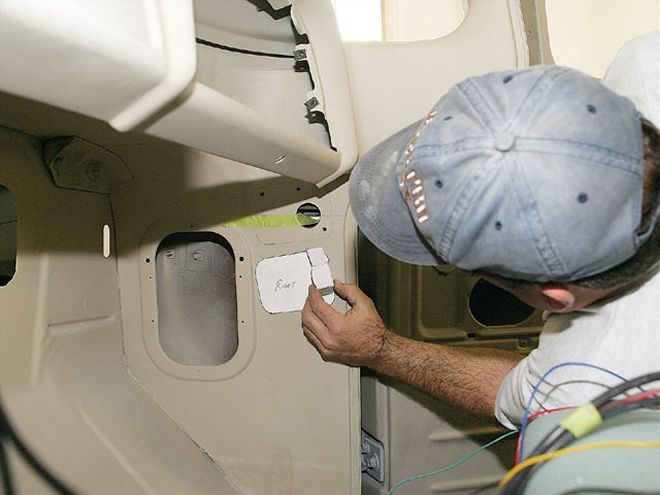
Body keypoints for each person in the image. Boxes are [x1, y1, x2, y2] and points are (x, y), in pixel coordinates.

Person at [301, 31, 660, 429]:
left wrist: (380, 349)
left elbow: (508, 390)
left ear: (556, 298)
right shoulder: (647, 61)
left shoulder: (587, 381)